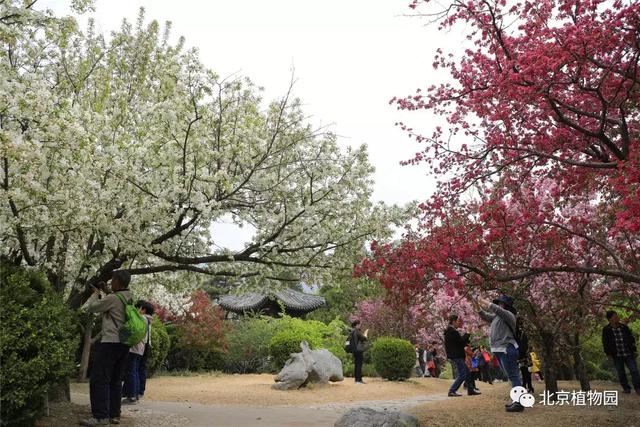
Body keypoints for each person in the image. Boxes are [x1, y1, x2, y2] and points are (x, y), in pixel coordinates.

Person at [81, 270, 133, 426]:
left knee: (99, 379)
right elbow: (116, 301)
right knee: (116, 380)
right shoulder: (129, 297)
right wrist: (107, 291)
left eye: (113, 280)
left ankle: (100, 416)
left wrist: (95, 294)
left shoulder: (112, 298)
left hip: (110, 342)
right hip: (124, 344)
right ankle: (114, 415)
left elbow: (92, 308)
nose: (111, 282)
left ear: (117, 281)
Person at [476, 295, 524, 412]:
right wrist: (476, 305)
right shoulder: (497, 317)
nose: (499, 305)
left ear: (505, 305)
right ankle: (516, 400)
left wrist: (482, 300)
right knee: (511, 376)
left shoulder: (509, 315)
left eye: (500, 303)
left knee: (513, 375)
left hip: (507, 348)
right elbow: (485, 316)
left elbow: (496, 309)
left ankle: (518, 403)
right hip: (500, 349)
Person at [602, 311, 640, 395]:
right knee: (621, 372)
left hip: (628, 353)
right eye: (615, 316)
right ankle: (626, 388)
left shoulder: (624, 327)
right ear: (610, 319)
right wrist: (608, 354)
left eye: (617, 316)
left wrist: (634, 350)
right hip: (616, 355)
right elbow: (605, 342)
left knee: (634, 370)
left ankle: (638, 388)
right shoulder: (606, 329)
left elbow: (631, 339)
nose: (617, 317)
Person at [122, 301, 153, 403]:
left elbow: (131, 327)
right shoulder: (147, 320)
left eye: (137, 308)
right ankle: (135, 394)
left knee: (132, 371)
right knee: (135, 371)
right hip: (140, 348)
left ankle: (132, 396)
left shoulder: (142, 318)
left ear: (142, 309)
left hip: (134, 347)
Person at [444, 314, 480, 397]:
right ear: (453, 322)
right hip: (457, 355)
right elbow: (462, 342)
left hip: (456, 355)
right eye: (457, 321)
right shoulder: (452, 332)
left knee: (467, 372)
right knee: (463, 374)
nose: (458, 323)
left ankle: (470, 390)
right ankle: (452, 390)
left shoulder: (449, 331)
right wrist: (468, 333)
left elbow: (460, 342)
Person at [136, 301, 154, 399]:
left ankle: (138, 391)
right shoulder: (149, 319)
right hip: (147, 344)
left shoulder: (143, 319)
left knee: (138, 368)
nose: (138, 310)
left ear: (144, 310)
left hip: (144, 344)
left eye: (139, 308)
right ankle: (140, 390)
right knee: (141, 368)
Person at [349, 320, 368, 384]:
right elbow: (364, 338)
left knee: (356, 365)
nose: (360, 325)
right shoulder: (357, 331)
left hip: (354, 350)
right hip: (359, 350)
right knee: (359, 365)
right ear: (357, 325)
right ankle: (359, 380)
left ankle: (356, 380)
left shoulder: (352, 331)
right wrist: (365, 333)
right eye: (360, 324)